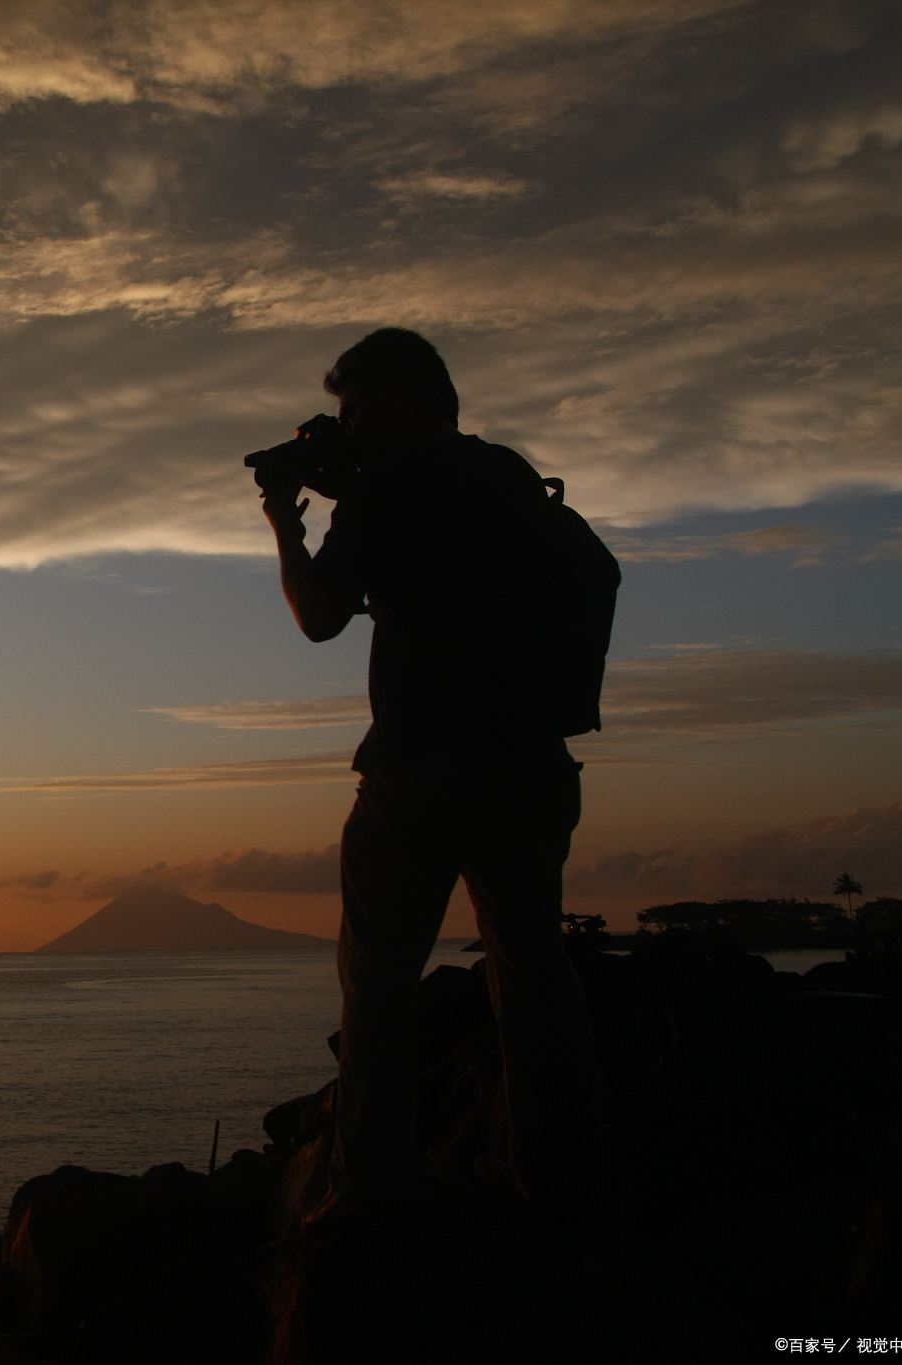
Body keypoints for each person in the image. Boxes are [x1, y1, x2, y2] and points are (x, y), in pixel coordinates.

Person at [257, 328, 604, 1222]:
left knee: (378, 979)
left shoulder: (393, 490)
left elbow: (321, 617)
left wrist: (285, 529)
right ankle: (557, 1176)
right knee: (533, 970)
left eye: (357, 407)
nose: (349, 426)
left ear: (404, 397)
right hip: (531, 763)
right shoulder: (509, 478)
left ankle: (370, 1186)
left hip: (422, 768)